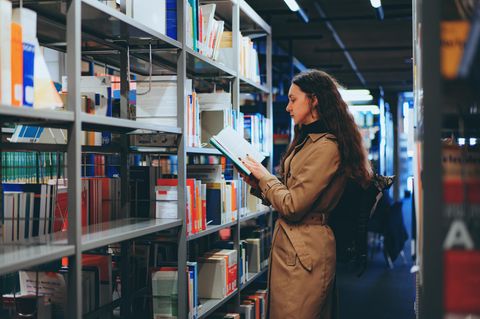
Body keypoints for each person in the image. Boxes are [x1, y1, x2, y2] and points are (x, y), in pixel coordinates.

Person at [240, 69, 372, 319]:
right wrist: (258, 183)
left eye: (293, 99)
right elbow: (291, 193)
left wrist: (265, 177)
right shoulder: (307, 140)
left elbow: (293, 205)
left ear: (314, 100)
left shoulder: (326, 147)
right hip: (295, 246)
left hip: (305, 250)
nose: (288, 107)